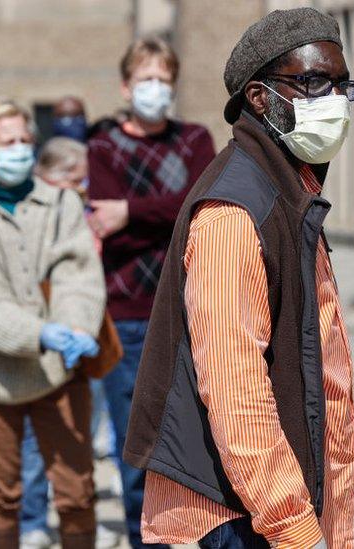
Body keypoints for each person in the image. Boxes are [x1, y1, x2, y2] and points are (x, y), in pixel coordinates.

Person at [123, 8, 354, 549]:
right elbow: (235, 389)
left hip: (271, 508)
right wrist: (293, 525)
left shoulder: (290, 191)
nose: (334, 100)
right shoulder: (235, 212)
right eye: (314, 82)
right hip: (237, 516)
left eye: (342, 85)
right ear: (259, 98)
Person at [0, 99, 105, 549]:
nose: (19, 150)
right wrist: (40, 333)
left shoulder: (60, 204)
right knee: (0, 495)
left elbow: (78, 275)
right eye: (7, 142)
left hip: (60, 369)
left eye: (24, 140)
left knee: (77, 492)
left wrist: (74, 327)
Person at [86, 36, 216, 549]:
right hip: (130, 315)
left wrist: (134, 212)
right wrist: (170, 212)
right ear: (125, 86)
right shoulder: (102, 148)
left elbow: (200, 201)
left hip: (192, 309)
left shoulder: (194, 140)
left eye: (164, 80)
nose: (155, 90)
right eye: (146, 80)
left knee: (199, 439)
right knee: (135, 446)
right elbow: (104, 218)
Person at [16, 137, 121, 549]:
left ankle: (76, 516)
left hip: (85, 335)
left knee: (81, 431)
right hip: (42, 335)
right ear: (53, 177)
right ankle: (32, 520)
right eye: (77, 180)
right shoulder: (33, 212)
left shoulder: (81, 211)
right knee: (32, 438)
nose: (83, 188)